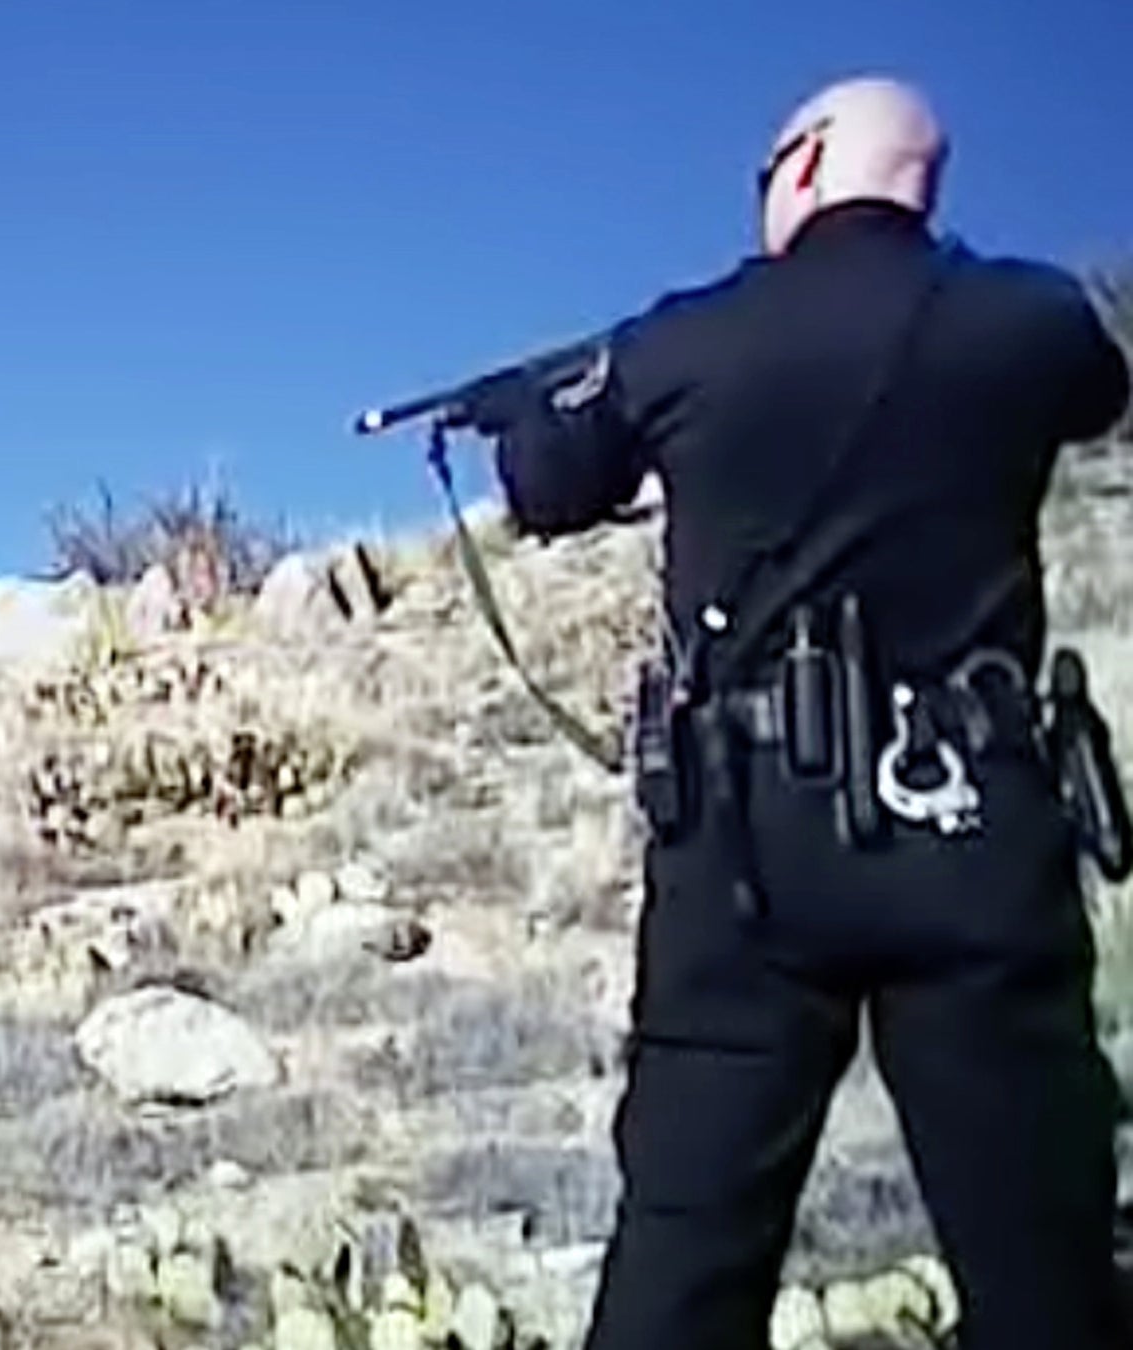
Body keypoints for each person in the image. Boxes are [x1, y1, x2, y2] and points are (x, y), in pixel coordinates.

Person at [461, 76, 1131, 1350]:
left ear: (807, 161)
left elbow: (551, 488)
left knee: (684, 1262)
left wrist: (533, 421)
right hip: (974, 827)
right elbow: (1095, 390)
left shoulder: (684, 340)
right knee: (1045, 1268)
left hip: (746, 854)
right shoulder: (1028, 319)